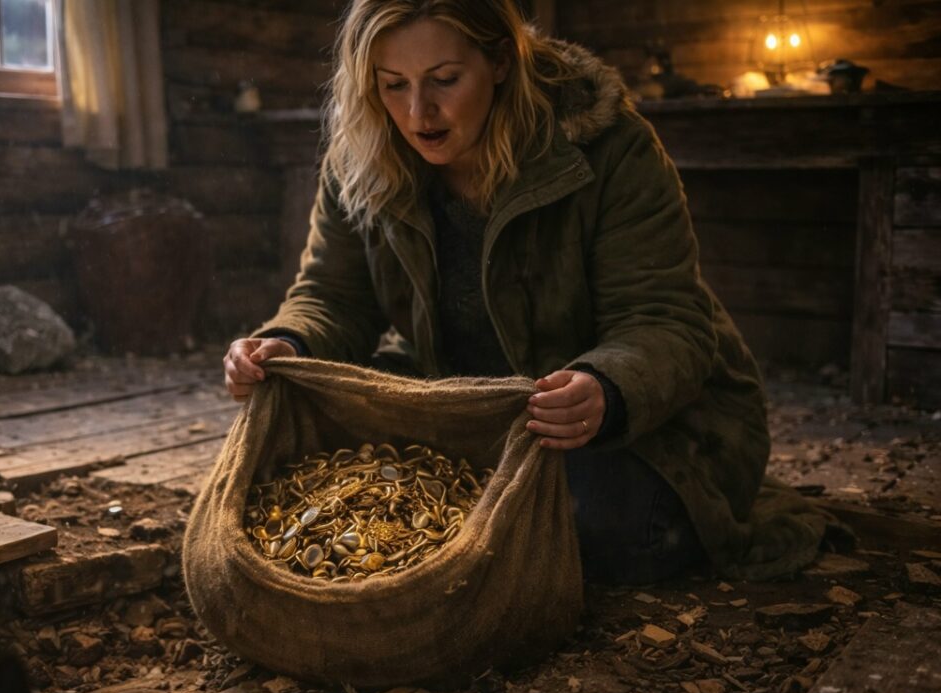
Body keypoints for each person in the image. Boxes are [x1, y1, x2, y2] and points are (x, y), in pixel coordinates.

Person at [221, 0, 832, 583]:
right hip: (464, 400)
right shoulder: (364, 154)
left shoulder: (608, 146)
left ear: (501, 63)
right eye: (393, 85)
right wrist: (285, 341)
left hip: (626, 421)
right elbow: (332, 295)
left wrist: (605, 388)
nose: (418, 114)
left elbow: (666, 321)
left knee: (602, 523)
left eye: (445, 79)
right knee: (306, 480)